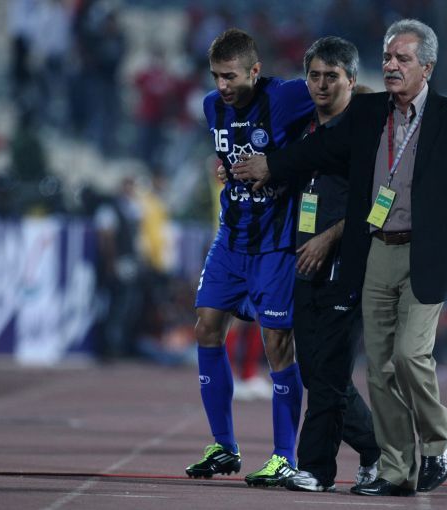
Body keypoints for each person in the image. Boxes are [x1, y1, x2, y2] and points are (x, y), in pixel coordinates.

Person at [232, 19, 447, 497]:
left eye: (403, 58)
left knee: (409, 354)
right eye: (387, 57)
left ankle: (436, 442)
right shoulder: (367, 112)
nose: (391, 65)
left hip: (425, 254)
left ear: (427, 67)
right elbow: (319, 149)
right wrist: (270, 165)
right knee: (380, 366)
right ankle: (396, 469)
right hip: (376, 248)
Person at [185, 28, 314, 487]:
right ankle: (224, 445)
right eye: (216, 76)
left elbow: (338, 98)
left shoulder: (285, 97)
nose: (222, 85)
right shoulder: (211, 107)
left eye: (231, 76)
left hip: (276, 244)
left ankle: (284, 456)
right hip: (231, 238)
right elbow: (228, 152)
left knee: (277, 343)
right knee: (206, 325)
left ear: (255, 71)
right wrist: (226, 167)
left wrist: (285, 163)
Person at [282, 37, 381, 493]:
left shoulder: (367, 134)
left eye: (332, 77)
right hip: (305, 262)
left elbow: (378, 202)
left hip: (347, 263)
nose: (321, 85)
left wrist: (329, 237)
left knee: (330, 373)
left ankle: (316, 469)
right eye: (315, 76)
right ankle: (379, 447)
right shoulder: (306, 130)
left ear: (351, 80)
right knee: (314, 372)